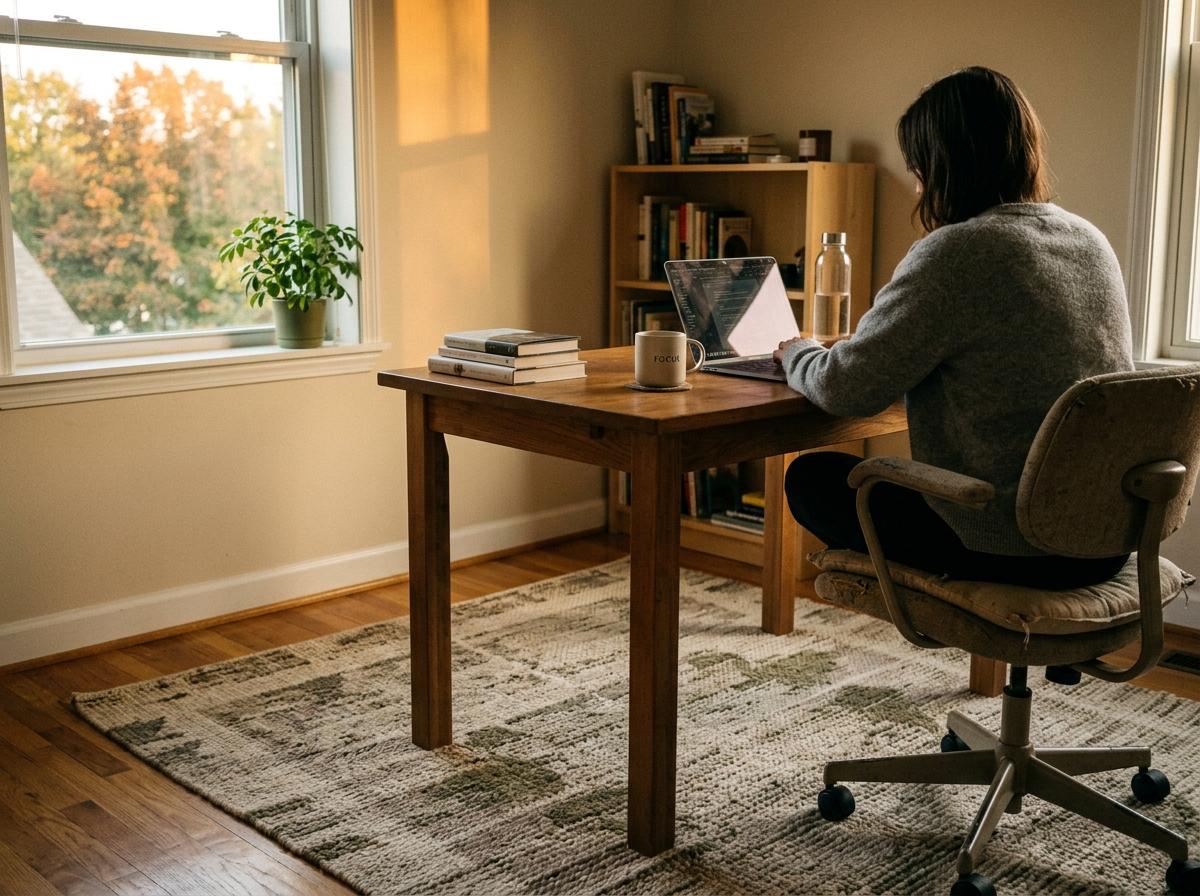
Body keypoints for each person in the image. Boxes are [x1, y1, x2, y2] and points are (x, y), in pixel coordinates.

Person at [773, 66, 1134, 589]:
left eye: (918, 168)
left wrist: (798, 352)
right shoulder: (1087, 239)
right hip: (1105, 537)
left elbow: (845, 387)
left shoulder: (959, 250)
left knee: (810, 479)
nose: (917, 184)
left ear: (941, 166)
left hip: (1012, 543)